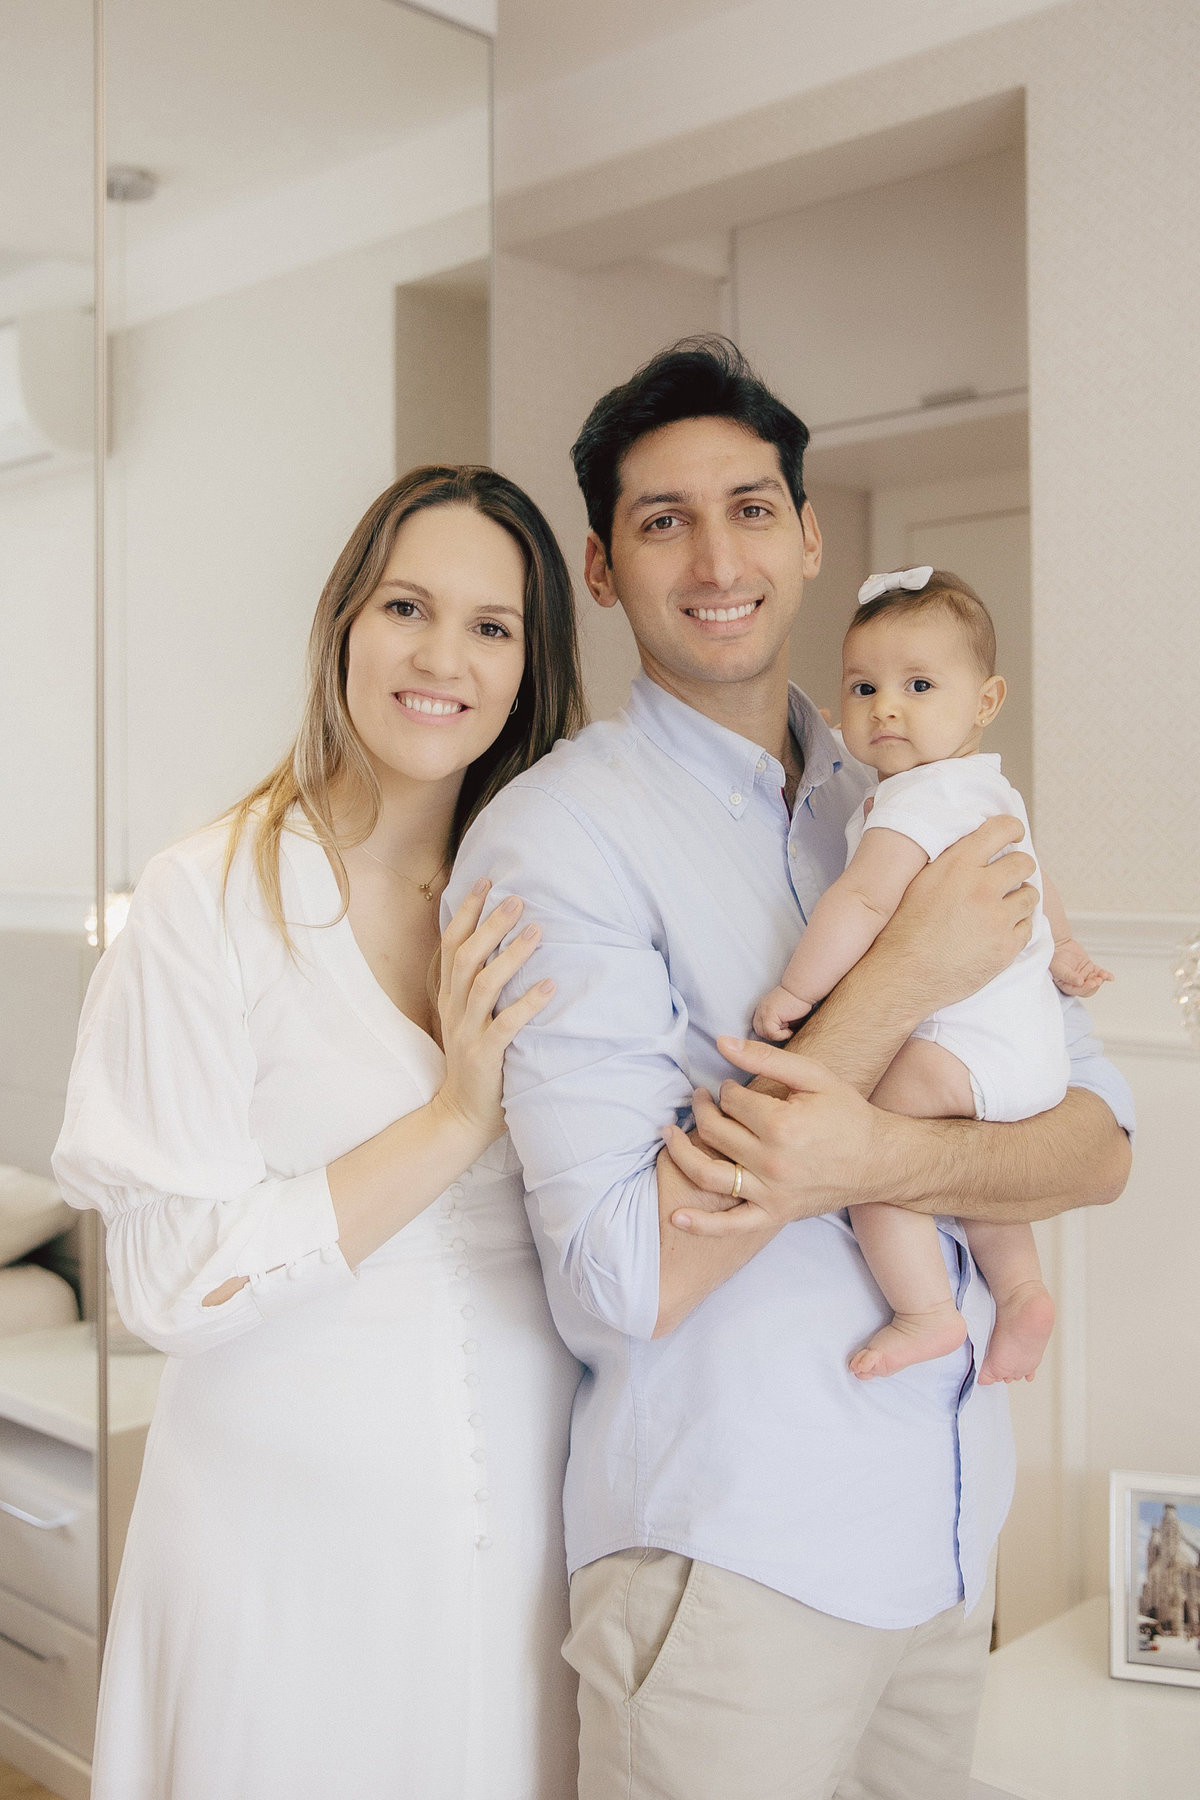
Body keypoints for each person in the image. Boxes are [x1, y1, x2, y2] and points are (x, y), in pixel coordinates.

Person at [445, 341, 1133, 1800]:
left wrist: (883, 1161)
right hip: (730, 1570)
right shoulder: (554, 841)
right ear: (603, 566)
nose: (716, 556)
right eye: (661, 520)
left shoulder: (917, 798)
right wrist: (898, 982)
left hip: (946, 1549)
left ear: (814, 538)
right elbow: (629, 1272)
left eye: (753, 507)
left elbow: (1097, 1144)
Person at [52, 467, 586, 1800]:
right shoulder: (208, 899)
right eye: (407, 605)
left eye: (491, 626)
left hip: (529, 1536)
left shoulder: (545, 897)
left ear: (530, 665)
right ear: (343, 623)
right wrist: (457, 1115)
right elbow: (169, 1282)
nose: (442, 657)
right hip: (284, 1553)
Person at [754, 565, 1112, 1384]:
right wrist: (1063, 947)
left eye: (919, 685)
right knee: (971, 1172)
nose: (886, 706)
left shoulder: (911, 802)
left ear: (984, 702)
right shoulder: (993, 789)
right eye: (864, 685)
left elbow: (862, 903)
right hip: (1033, 1060)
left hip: (962, 1053)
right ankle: (1022, 1292)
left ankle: (925, 1311)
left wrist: (796, 993)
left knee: (875, 1148)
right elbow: (1036, 874)